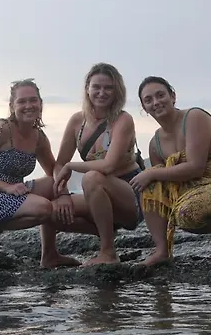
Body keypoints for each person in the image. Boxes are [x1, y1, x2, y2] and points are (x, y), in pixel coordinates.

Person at [0, 78, 86, 268]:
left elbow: (54, 170)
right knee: (44, 208)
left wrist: (64, 195)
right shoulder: (2, 129)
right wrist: (6, 188)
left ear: (41, 104)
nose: (28, 106)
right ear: (12, 106)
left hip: (12, 192)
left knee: (53, 184)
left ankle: (50, 255)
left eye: (33, 100)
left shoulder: (39, 137)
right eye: (22, 101)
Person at [131, 76, 211, 266]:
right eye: (148, 100)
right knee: (150, 184)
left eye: (160, 95)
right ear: (144, 107)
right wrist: (150, 176)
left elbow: (196, 167)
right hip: (189, 190)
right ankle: (162, 250)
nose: (156, 102)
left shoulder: (194, 117)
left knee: (189, 212)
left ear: (173, 96)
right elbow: (164, 183)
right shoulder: (155, 144)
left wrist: (151, 173)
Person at [52, 62, 144, 266]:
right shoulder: (77, 121)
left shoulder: (123, 120)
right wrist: (63, 194)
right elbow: (59, 164)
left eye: (108, 88)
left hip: (129, 194)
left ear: (117, 90)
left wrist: (71, 166)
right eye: (97, 87)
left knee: (92, 177)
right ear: (87, 88)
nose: (102, 93)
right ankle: (49, 255)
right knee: (49, 210)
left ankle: (108, 251)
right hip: (96, 195)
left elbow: (109, 166)